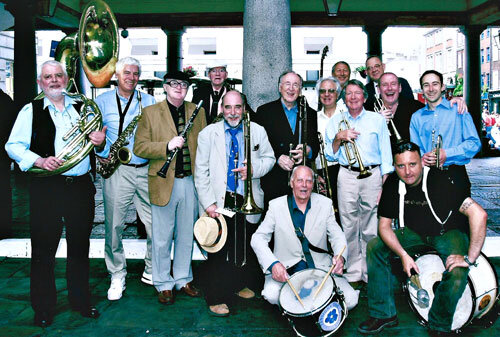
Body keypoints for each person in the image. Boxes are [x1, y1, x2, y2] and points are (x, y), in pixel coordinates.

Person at [5, 60, 106, 327]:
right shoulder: (31, 110)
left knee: (79, 248)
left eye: (58, 75)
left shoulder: (83, 108)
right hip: (47, 188)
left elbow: (99, 147)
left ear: (66, 78)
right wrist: (38, 161)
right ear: (41, 82)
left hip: (80, 186)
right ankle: (43, 307)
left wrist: (100, 141)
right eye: (48, 77)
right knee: (43, 250)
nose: (54, 80)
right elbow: (12, 145)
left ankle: (81, 301)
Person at [358, 141, 487, 335]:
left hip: (447, 232)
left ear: (421, 162)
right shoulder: (393, 183)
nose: (407, 171)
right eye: (401, 166)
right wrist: (402, 254)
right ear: (394, 166)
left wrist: (469, 258)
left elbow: (479, 215)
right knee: (375, 247)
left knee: (458, 272)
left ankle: (439, 325)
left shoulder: (439, 180)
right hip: (414, 232)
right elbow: (384, 227)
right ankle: (383, 314)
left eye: (412, 164)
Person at [194, 90, 275, 316]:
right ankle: (215, 296)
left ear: (244, 108)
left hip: (247, 195)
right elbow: (200, 171)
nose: (233, 112)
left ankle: (239, 285)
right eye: (228, 107)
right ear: (221, 109)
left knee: (244, 245)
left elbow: (270, 159)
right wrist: (208, 203)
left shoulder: (257, 131)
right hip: (220, 199)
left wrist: (253, 170)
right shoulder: (208, 134)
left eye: (237, 107)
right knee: (219, 250)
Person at [133, 70, 207, 305]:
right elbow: (139, 148)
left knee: (186, 235)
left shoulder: (198, 111)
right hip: (164, 182)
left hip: (190, 182)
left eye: (183, 84)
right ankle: (163, 283)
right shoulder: (150, 113)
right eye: (173, 84)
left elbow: (203, 146)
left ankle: (183, 279)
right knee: (162, 237)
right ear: (165, 87)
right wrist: (166, 145)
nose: (179, 87)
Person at [251, 165, 359, 309]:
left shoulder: (325, 204)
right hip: (287, 271)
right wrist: (273, 264)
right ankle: (309, 305)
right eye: (300, 180)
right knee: (271, 294)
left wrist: (341, 257)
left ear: (313, 184)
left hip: (320, 270)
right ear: (292, 182)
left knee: (351, 300)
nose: (304, 185)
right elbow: (257, 239)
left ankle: (304, 304)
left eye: (308, 181)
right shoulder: (276, 206)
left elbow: (337, 236)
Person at [94, 57, 156, 301]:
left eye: (136, 73)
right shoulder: (101, 102)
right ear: (117, 76)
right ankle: (117, 273)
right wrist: (100, 153)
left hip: (145, 168)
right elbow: (96, 137)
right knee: (114, 224)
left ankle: (152, 269)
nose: (131, 77)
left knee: (154, 225)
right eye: (127, 73)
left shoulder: (149, 102)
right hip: (117, 168)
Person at [324, 79, 393, 287]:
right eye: (349, 93)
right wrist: (338, 138)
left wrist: (384, 184)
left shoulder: (376, 120)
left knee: (371, 224)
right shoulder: (336, 121)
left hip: (372, 174)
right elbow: (330, 154)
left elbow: (386, 154)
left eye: (357, 93)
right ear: (344, 98)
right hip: (347, 174)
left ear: (364, 97)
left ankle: (370, 269)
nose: (353, 97)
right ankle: (353, 270)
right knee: (348, 223)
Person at [254, 71, 319, 208]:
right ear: (279, 87)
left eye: (295, 85)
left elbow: (315, 143)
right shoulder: (264, 112)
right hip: (273, 180)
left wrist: (308, 151)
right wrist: (277, 157)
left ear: (300, 90)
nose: (291, 88)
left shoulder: (311, 113)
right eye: (287, 84)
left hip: (300, 182)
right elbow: (257, 145)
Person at [410, 70, 481, 194]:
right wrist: (422, 157)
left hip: (455, 175)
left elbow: (474, 143)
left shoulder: (458, 110)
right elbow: (415, 148)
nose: (431, 89)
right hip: (427, 175)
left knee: (461, 214)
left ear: (442, 87)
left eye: (435, 84)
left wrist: (447, 153)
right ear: (422, 89)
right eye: (426, 85)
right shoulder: (416, 117)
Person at [376, 72, 469, 146]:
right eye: (384, 85)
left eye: (393, 84)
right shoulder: (370, 111)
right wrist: (376, 123)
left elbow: (436, 110)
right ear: (379, 89)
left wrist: (454, 101)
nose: (389, 88)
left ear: (400, 88)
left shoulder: (416, 108)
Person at [315, 77, 348, 224]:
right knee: (325, 217)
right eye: (322, 91)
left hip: (345, 171)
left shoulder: (346, 115)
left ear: (338, 93)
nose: (326, 94)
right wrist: (315, 174)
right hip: (322, 173)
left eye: (331, 91)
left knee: (345, 216)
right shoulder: (313, 118)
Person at [0, 88, 16, 239]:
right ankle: (4, 228)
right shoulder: (5, 100)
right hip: (2, 156)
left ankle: (3, 228)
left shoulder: (4, 101)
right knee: (3, 191)